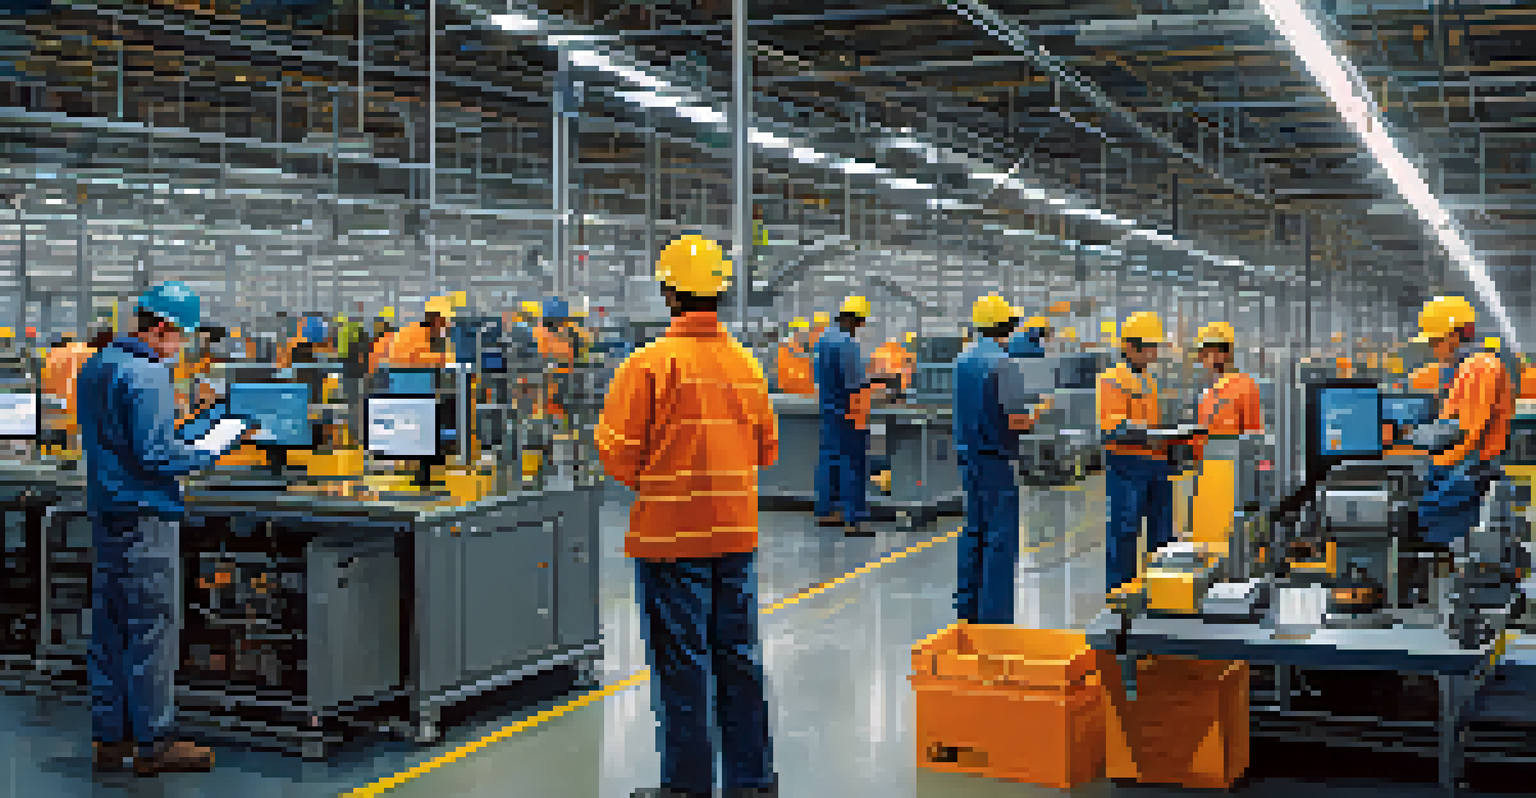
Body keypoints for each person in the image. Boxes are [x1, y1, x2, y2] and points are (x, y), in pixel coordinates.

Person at [598, 234, 780, 798]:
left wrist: (666, 479)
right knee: (740, 660)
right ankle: (752, 784)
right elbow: (766, 450)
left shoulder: (648, 366)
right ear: (720, 295)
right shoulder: (748, 366)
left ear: (667, 293)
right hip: (735, 535)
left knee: (684, 668)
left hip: (670, 540)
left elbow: (618, 454)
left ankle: (687, 788)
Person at [76, 282, 249, 776]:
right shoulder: (148, 375)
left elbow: (131, 438)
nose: (182, 348)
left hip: (108, 515)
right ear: (161, 329)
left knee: (109, 630)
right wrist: (214, 447)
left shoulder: (99, 364)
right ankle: (155, 741)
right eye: (181, 337)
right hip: (146, 516)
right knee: (152, 630)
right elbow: (155, 455)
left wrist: (191, 428)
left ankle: (109, 740)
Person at [953, 295, 1045, 624]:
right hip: (998, 462)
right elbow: (1015, 420)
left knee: (974, 534)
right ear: (1005, 325)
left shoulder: (962, 360)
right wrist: (1037, 414)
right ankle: (995, 619)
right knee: (1000, 541)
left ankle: (968, 612)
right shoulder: (1003, 363)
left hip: (969, 459)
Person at [1408, 296, 1514, 547]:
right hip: (1463, 467)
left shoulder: (1480, 367)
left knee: (1420, 523)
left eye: (1435, 341)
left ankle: (1439, 578)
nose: (1433, 348)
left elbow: (1468, 434)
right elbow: (1454, 422)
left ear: (1454, 336)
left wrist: (1424, 458)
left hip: (1468, 473)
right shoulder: (1466, 366)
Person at [1097, 311, 1175, 593]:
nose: (1154, 354)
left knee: (1163, 533)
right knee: (1125, 530)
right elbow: (1114, 427)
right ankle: (1120, 594)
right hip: (1127, 464)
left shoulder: (1149, 380)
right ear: (1131, 346)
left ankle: (1164, 591)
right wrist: (1152, 434)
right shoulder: (1111, 379)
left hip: (1156, 463)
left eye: (1155, 347)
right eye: (1150, 347)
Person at [814, 295, 875, 536]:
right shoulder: (847, 343)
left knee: (830, 460)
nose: (860, 327)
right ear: (852, 319)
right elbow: (855, 384)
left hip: (829, 409)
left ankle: (828, 511)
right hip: (850, 410)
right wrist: (877, 387)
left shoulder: (824, 340)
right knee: (854, 463)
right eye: (860, 322)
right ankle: (856, 518)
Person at [1192, 322, 1264, 457]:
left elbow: (1253, 436)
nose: (1202, 359)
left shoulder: (1245, 386)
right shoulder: (1210, 391)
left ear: (1222, 353)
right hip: (1209, 464)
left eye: (1205, 354)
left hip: (1233, 465)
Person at [368, 296, 457, 373]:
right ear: (436, 320)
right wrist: (443, 358)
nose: (446, 325)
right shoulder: (416, 333)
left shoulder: (423, 333)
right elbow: (413, 358)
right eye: (444, 322)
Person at [775, 317, 815, 395]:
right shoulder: (785, 349)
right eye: (802, 332)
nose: (806, 336)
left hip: (808, 393)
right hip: (792, 393)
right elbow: (787, 377)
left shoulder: (806, 348)